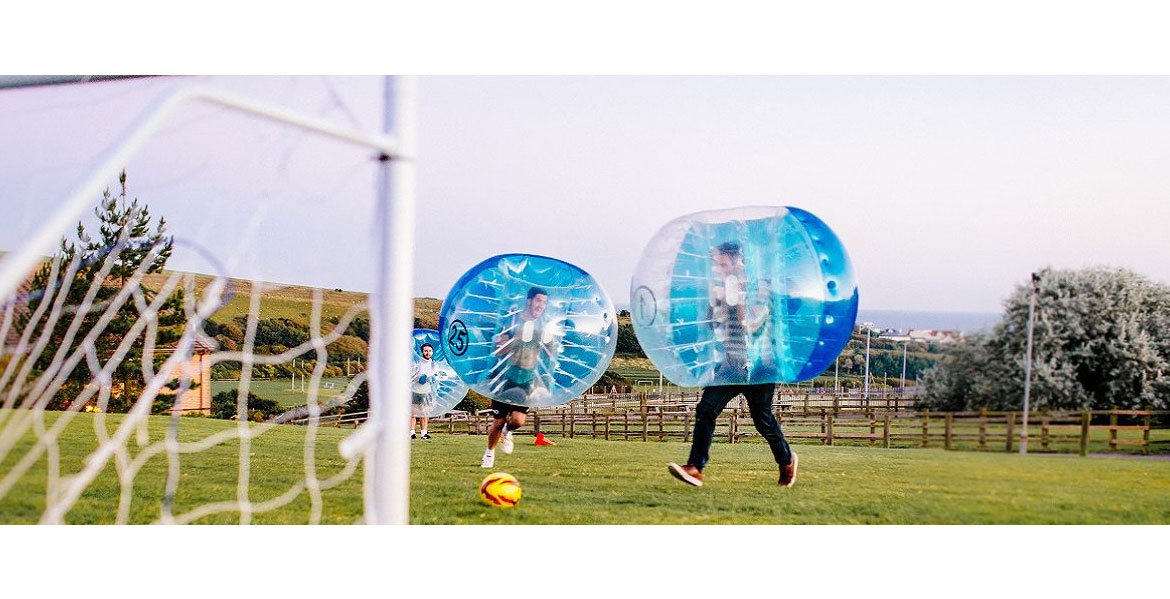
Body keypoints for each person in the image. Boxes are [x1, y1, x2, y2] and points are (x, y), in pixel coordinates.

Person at [668, 241, 798, 487]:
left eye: (723, 264)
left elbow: (752, 324)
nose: (719, 269)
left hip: (759, 366)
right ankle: (695, 468)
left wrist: (736, 297)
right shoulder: (721, 286)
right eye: (716, 264)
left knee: (763, 422)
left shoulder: (758, 287)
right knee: (706, 409)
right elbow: (709, 324)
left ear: (739, 261)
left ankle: (787, 460)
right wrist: (713, 301)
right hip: (730, 365)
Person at [481, 286, 558, 468]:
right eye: (539, 301)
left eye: (544, 303)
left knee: (518, 421)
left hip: (526, 380)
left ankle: (508, 431)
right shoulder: (512, 321)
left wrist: (549, 339)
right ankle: (489, 453)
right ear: (529, 300)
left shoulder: (543, 326)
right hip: (504, 377)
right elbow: (498, 351)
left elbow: (550, 354)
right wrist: (515, 338)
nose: (541, 306)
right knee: (498, 421)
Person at [410, 342, 436, 440]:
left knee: (425, 413)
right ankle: (411, 433)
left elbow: (435, 376)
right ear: (422, 352)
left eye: (429, 351)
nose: (427, 353)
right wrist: (418, 378)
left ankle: (424, 433)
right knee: (413, 412)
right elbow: (411, 376)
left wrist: (431, 379)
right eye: (425, 351)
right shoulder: (417, 363)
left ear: (432, 352)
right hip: (415, 390)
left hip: (427, 391)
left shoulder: (434, 364)